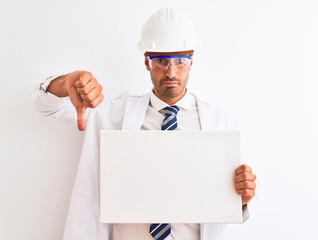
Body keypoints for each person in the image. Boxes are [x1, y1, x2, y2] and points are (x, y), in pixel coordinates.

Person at [34, 8, 257, 240]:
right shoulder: (111, 114)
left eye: (180, 61)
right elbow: (47, 106)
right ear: (146, 62)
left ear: (192, 62)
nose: (171, 72)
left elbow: (238, 198)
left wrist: (244, 196)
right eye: (160, 61)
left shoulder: (222, 122)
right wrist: (64, 83)